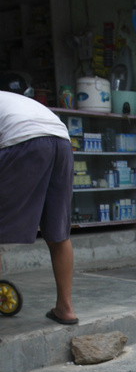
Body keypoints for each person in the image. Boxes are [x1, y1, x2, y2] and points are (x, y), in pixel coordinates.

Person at [0, 84, 78, 324]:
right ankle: (65, 308)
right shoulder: (10, 99)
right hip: (61, 140)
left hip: (24, 139)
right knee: (58, 232)